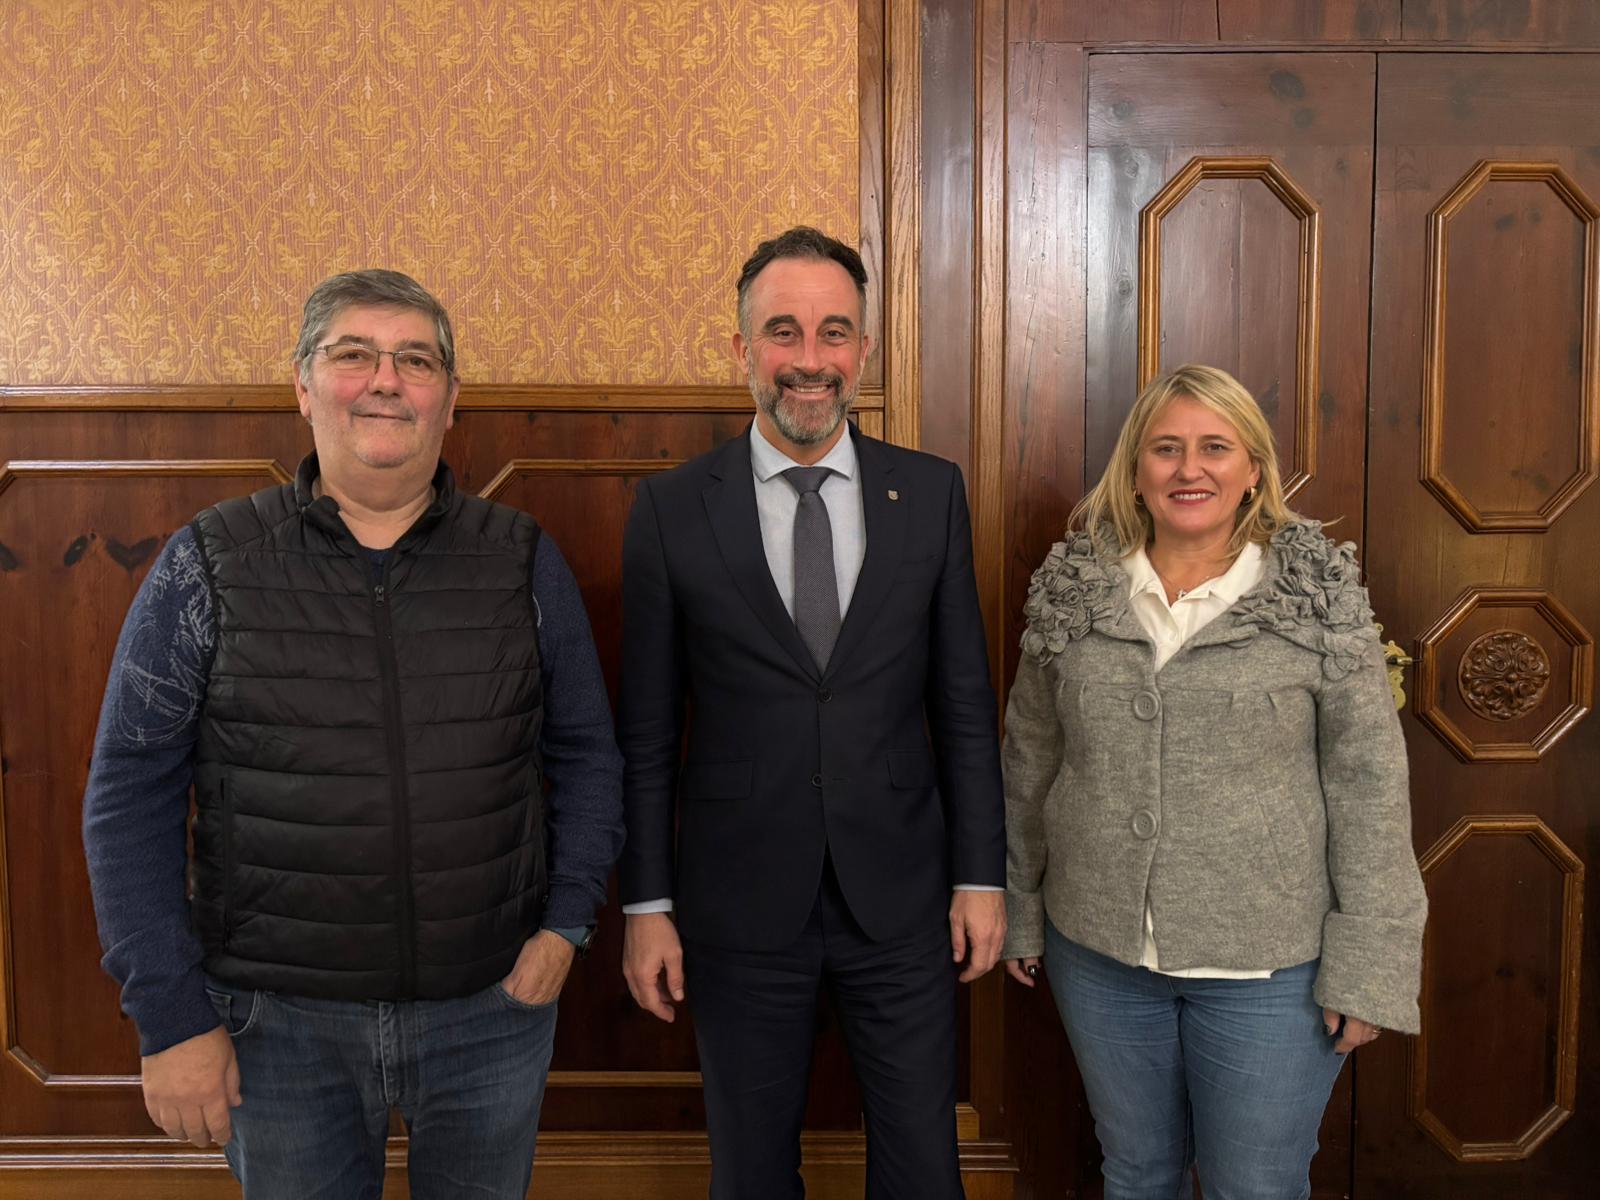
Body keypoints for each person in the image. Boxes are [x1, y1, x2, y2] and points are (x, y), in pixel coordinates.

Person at [82, 269, 625, 1199]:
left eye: (416, 360)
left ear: (450, 401)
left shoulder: (522, 559)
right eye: (353, 355)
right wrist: (170, 1018)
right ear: (302, 386)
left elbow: (587, 756)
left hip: (491, 1013)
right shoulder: (208, 561)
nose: (386, 379)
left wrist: (565, 929)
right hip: (276, 1028)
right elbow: (127, 793)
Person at [617, 226, 1006, 1199]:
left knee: (923, 1169)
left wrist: (979, 876)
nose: (808, 359)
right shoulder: (670, 509)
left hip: (904, 902)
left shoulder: (929, 494)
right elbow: (649, 733)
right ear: (742, 348)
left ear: (862, 353)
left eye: (833, 333)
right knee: (751, 1172)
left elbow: (963, 704)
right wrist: (646, 904)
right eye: (782, 332)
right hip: (739, 902)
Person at [1001, 364, 1427, 1200]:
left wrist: (1370, 963)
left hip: (1271, 968)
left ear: (1253, 472)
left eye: (1214, 448)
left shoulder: (1316, 600)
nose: (1188, 469)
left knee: (1255, 1185)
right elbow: (1029, 759)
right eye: (1165, 449)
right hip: (1101, 954)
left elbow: (1369, 784)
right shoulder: (1076, 592)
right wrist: (1021, 907)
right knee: (1135, 1172)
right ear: (1135, 471)